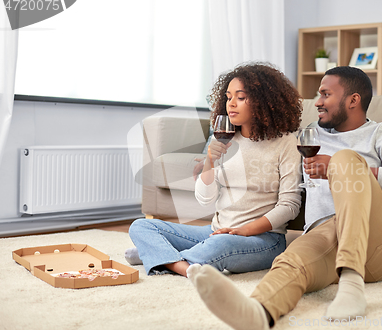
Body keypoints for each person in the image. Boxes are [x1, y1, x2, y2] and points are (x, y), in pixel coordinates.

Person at [187, 66, 382, 329]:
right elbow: (266, 143)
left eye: (325, 95)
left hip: (378, 242)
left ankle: (352, 282)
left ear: (353, 100)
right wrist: (211, 162)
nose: (318, 102)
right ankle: (258, 312)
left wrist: (337, 167)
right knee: (290, 260)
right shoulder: (309, 134)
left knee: (345, 160)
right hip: (324, 236)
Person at [125, 62, 303, 277]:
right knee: (141, 227)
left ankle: (159, 256)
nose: (231, 104)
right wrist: (210, 160)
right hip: (215, 231)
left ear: (264, 101)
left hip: (262, 239)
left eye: (241, 97)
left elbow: (289, 205)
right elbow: (205, 199)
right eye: (228, 97)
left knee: (220, 246)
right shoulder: (224, 139)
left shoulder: (286, 143)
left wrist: (245, 230)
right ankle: (183, 264)